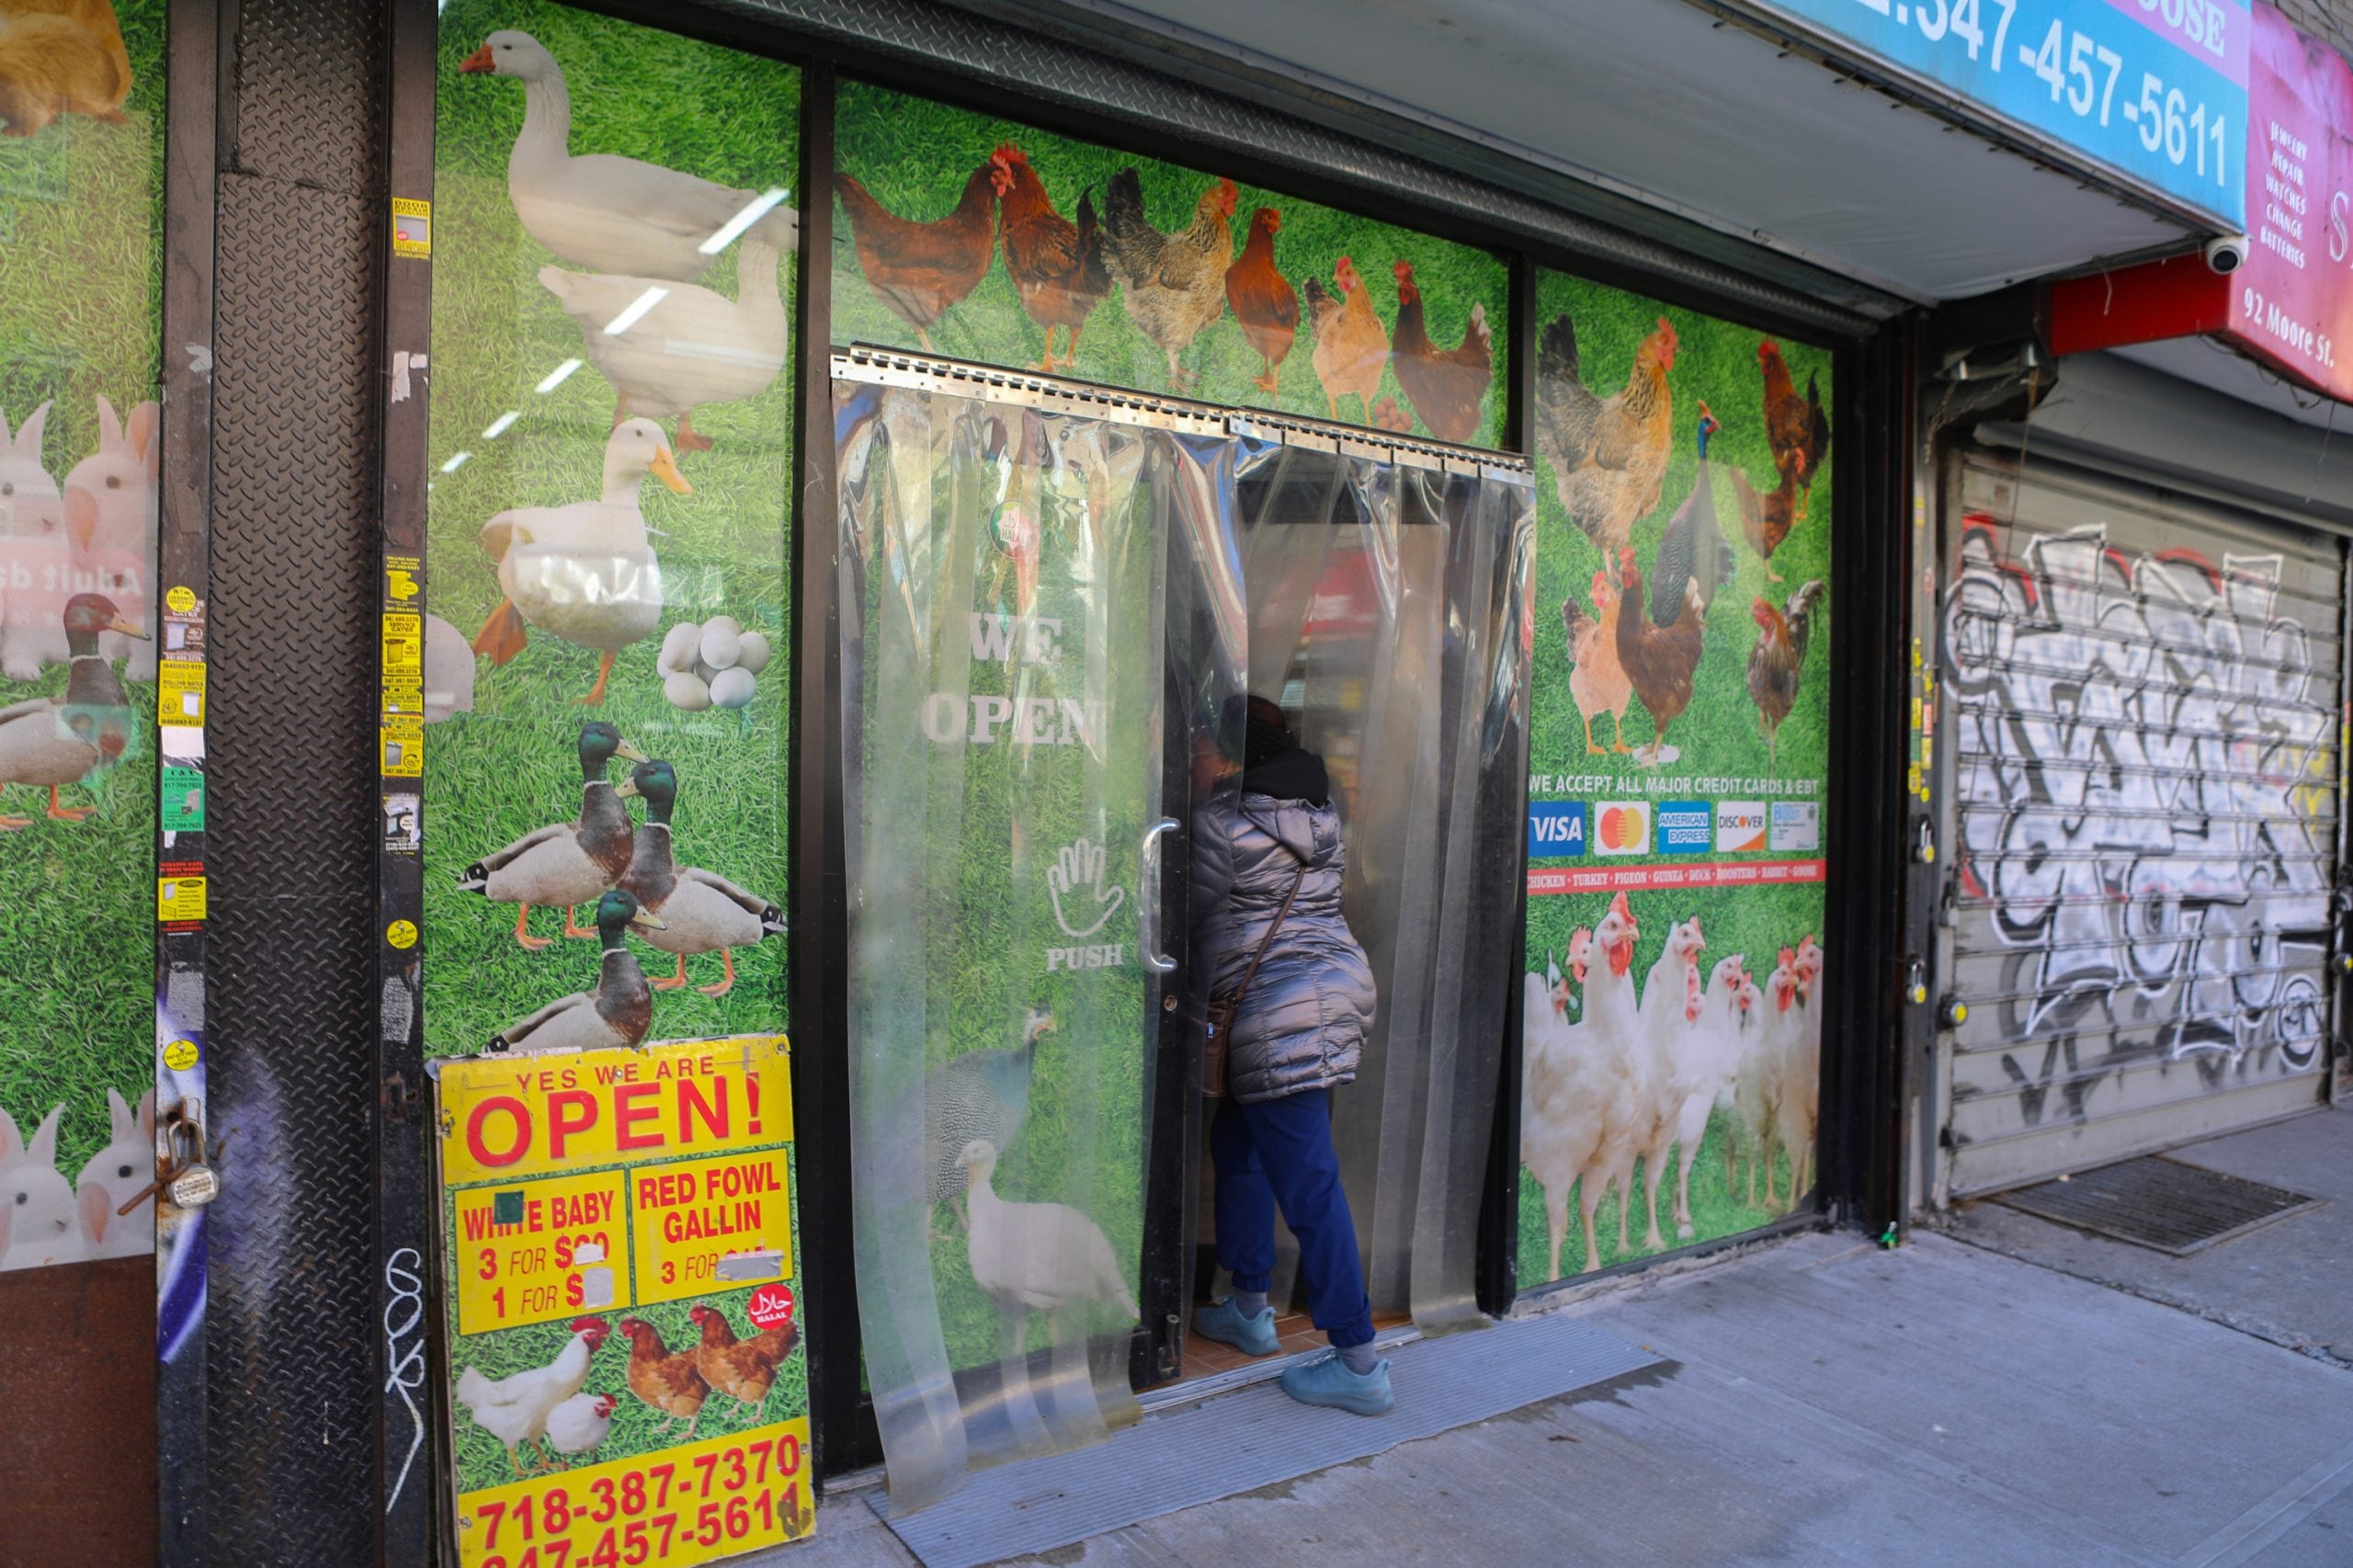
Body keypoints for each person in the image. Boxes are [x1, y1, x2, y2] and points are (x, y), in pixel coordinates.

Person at [1188, 694, 1389, 1415]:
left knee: (1308, 1181)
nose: (1198, 754)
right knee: (1238, 1142)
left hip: (1278, 1010)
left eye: (1207, 744)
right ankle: (1247, 1307)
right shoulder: (1323, 815)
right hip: (1328, 986)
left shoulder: (1221, 823)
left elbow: (1187, 911)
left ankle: (1360, 1360)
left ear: (1235, 756)